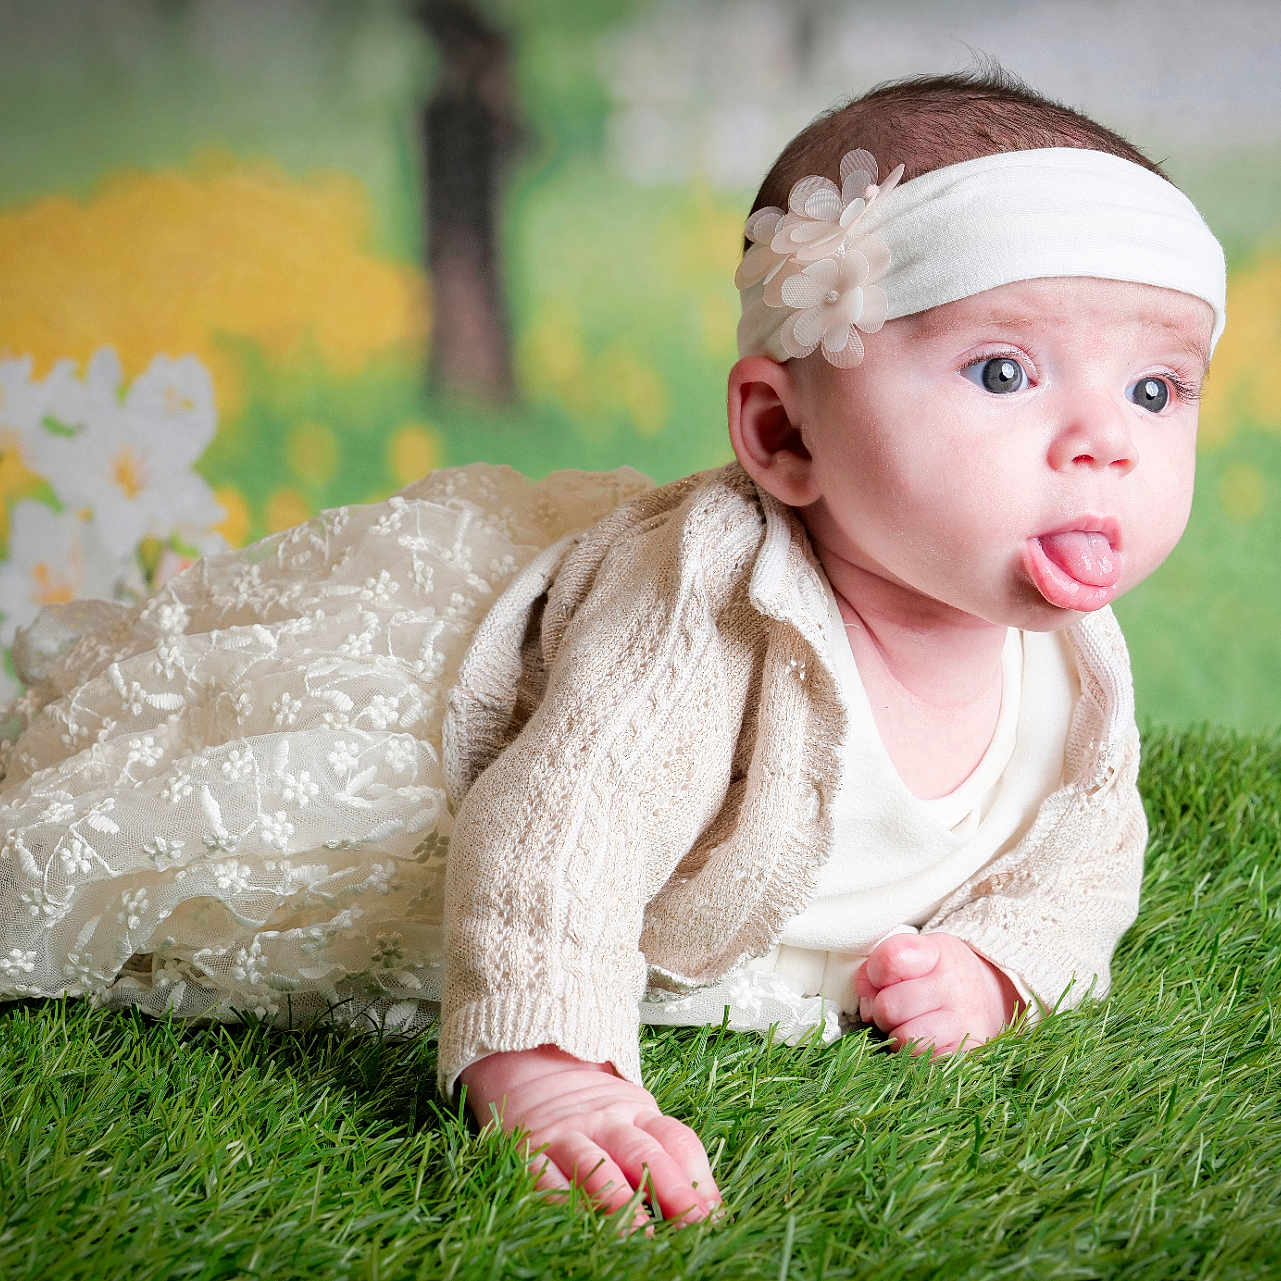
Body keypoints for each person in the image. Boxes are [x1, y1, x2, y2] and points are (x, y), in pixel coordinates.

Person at [0, 70, 1226, 1230]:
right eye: (1004, 370)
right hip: (475, 765)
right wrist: (559, 1073)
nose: (1102, 442)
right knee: (165, 844)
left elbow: (1090, 847)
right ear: (781, 431)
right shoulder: (705, 607)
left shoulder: (1073, 656)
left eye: (1158, 391)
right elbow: (560, 821)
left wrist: (1001, 961)